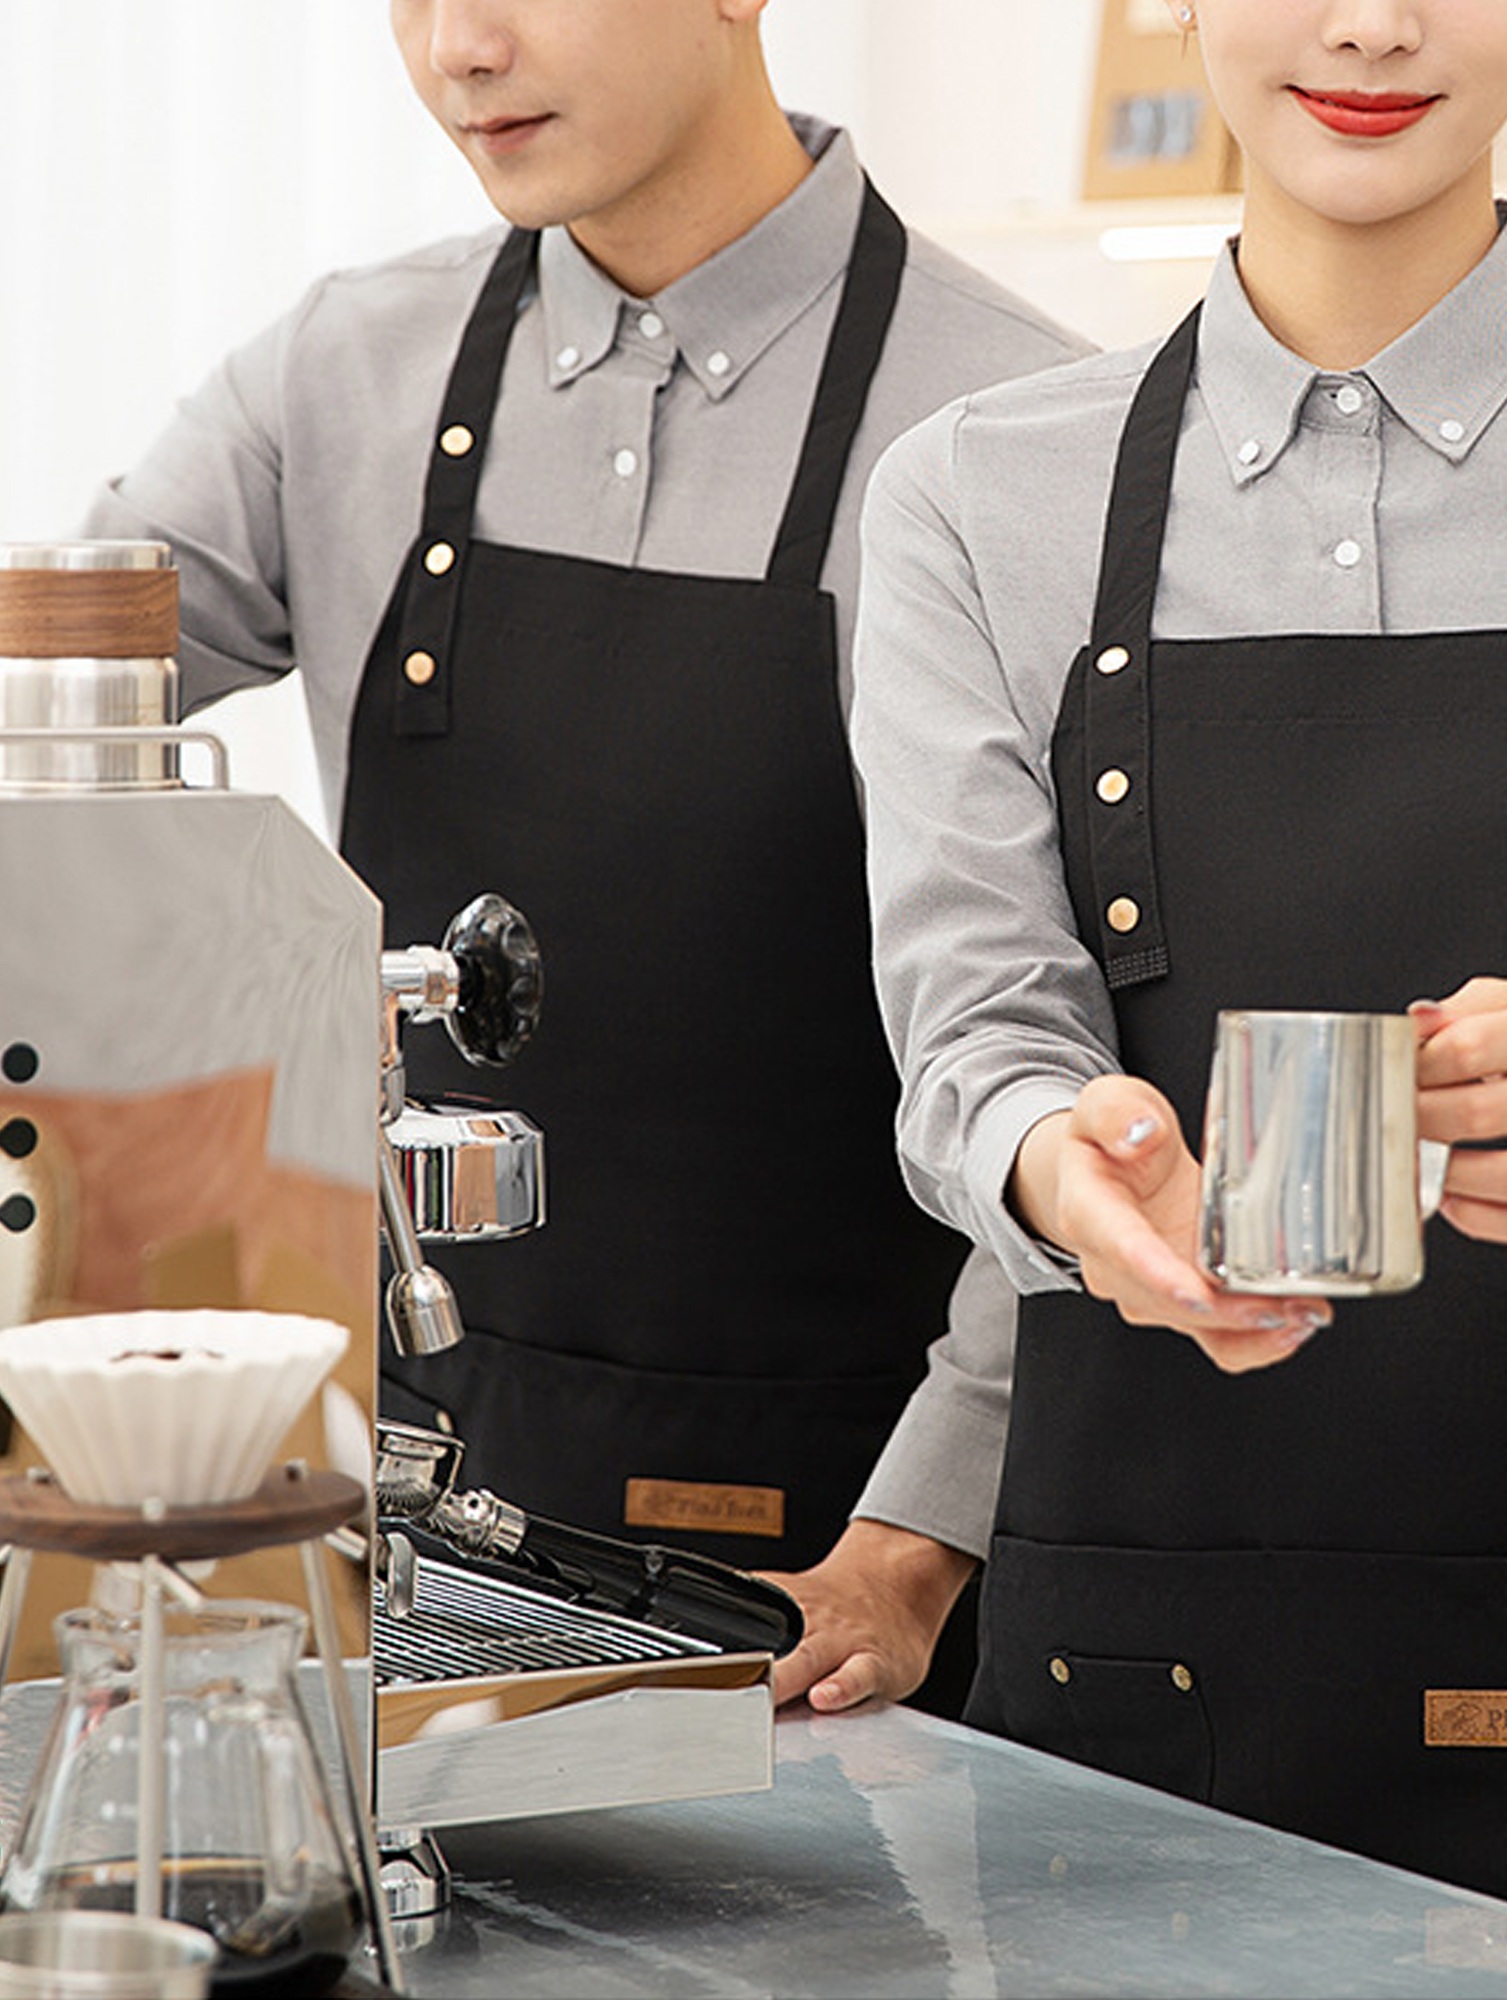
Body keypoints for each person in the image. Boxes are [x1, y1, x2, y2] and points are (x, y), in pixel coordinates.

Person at [848, 0, 1507, 1988]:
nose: (1369, 24)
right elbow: (971, 1050)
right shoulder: (973, 496)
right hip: (1135, 1676)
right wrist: (1065, 1167)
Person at [83, 0, 1086, 1711]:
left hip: (842, 1577)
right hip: (404, 1493)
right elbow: (64, 689)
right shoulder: (344, 368)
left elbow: (1083, 1074)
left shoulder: (1018, 426)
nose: (459, 49)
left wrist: (917, 1542)